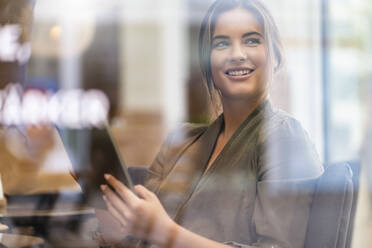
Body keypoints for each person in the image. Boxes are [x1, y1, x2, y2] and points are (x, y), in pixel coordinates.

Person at [99, 0, 324, 247]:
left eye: (251, 40)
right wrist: (101, 196)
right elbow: (137, 238)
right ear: (208, 65)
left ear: (276, 58)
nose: (237, 54)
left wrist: (166, 232)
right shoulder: (182, 140)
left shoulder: (284, 138)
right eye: (222, 43)